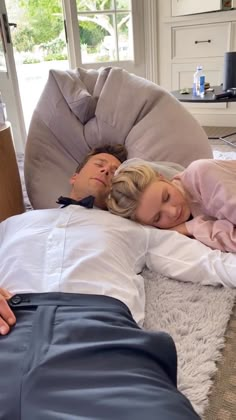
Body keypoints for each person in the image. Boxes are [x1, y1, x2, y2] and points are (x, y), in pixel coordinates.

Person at [1, 146, 236, 420]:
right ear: (75, 176)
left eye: (115, 172)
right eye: (100, 163)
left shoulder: (138, 231)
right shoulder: (16, 223)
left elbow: (213, 264)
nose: (106, 170)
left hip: (103, 338)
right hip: (8, 326)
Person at [107, 159, 236, 252]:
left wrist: (192, 227)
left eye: (166, 197)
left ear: (162, 177)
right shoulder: (174, 231)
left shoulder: (203, 174)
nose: (173, 212)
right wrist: (190, 228)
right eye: (157, 217)